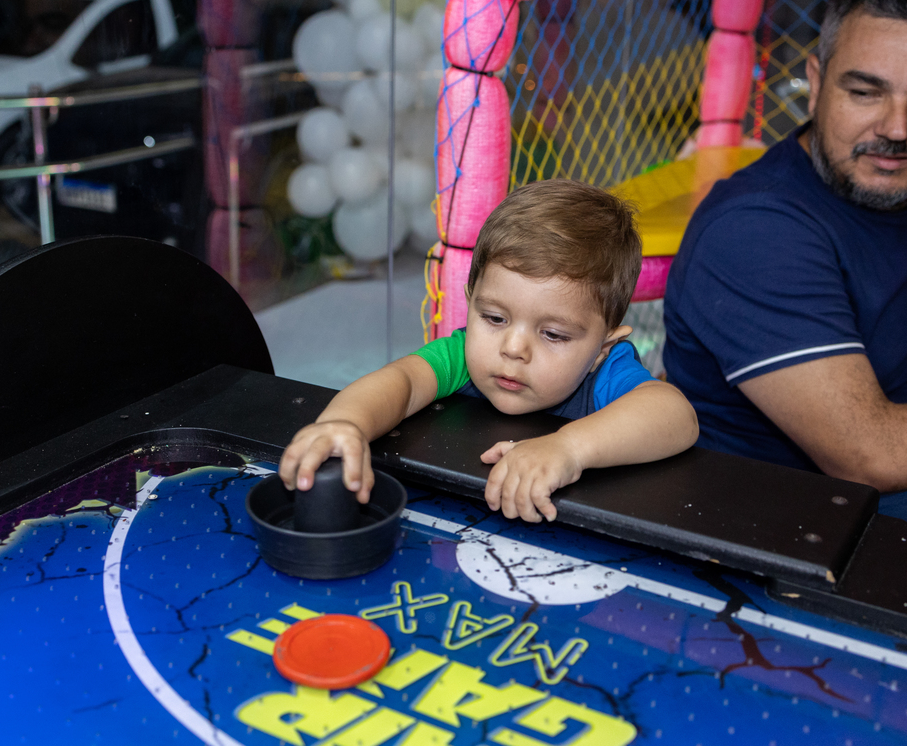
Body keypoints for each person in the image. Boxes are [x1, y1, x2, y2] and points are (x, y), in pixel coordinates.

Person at [664, 0, 907, 550]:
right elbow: (868, 454)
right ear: (816, 83)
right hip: (794, 530)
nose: (896, 129)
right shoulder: (755, 227)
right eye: (864, 92)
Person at [281, 179, 699, 523]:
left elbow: (676, 415)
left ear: (602, 349)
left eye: (553, 334)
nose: (513, 348)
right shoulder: (462, 356)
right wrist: (345, 424)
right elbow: (402, 382)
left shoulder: (606, 371)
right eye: (495, 318)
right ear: (471, 302)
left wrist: (569, 449)